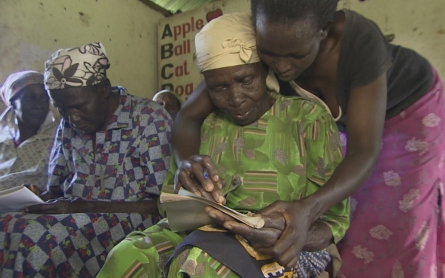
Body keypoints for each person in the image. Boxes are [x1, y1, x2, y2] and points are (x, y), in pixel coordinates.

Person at [172, 1, 445, 277]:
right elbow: (187, 118)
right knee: (356, 227)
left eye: (295, 54)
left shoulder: (359, 42)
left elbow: (363, 152)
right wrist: (188, 163)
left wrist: (307, 208)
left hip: (409, 110)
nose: (280, 66)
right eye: (268, 53)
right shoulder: (262, 38)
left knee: (402, 224)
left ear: (323, 31)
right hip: (350, 126)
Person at [97, 12, 349, 278]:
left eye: (246, 80)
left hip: (278, 244)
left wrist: (285, 232)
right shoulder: (207, 125)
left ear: (264, 70)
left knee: (201, 265)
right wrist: (188, 191)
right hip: (200, 235)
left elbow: (334, 222)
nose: (236, 98)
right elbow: (166, 208)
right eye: (219, 88)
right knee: (127, 255)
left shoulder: (308, 119)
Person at [0, 42, 173, 277]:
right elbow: (57, 188)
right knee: (7, 224)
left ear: (104, 88)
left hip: (135, 221)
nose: (73, 118)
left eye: (79, 106)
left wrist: (87, 206)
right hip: (74, 215)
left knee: (37, 238)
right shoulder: (67, 126)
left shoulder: (149, 118)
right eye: (61, 109)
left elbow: (165, 203)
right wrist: (34, 199)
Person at [0, 71, 58, 191]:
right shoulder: (3, 136)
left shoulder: (57, 138)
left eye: (44, 99)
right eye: (30, 98)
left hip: (29, 206)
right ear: (12, 103)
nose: (39, 105)